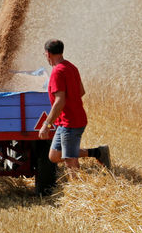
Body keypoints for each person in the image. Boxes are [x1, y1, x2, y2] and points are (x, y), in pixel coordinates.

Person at [38, 39, 111, 174]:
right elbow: (81, 91)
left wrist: (46, 124)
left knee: (70, 160)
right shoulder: (71, 67)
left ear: (48, 54)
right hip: (69, 120)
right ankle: (98, 152)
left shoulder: (57, 72)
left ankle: (77, 186)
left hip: (70, 122)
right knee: (54, 156)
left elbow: (59, 101)